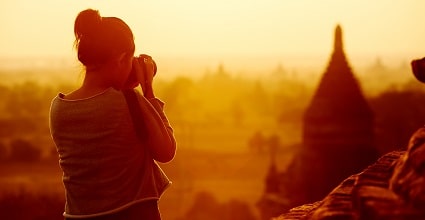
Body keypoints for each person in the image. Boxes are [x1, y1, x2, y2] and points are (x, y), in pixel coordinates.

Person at [49, 8, 176, 220]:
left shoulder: (59, 108)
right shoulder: (129, 101)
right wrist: (148, 91)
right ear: (120, 58)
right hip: (133, 214)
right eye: (129, 60)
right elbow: (166, 150)